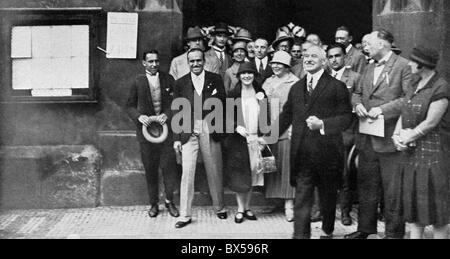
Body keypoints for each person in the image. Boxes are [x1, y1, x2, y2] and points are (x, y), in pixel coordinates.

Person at [268, 45, 352, 239]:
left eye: (314, 56)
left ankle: (327, 230)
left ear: (324, 61)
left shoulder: (336, 86)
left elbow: (347, 118)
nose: (308, 59)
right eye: (306, 56)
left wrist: (323, 124)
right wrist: (267, 136)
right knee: (302, 198)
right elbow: (286, 115)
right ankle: (300, 236)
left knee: (328, 198)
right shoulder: (296, 88)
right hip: (303, 154)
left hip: (328, 154)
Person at [346, 29, 412, 239]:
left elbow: (408, 99)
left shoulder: (404, 66)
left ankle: (393, 234)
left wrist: (382, 110)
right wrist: (357, 106)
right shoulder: (368, 66)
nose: (365, 47)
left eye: (369, 43)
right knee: (366, 186)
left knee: (393, 191)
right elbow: (356, 93)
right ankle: (365, 229)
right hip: (366, 139)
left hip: (391, 139)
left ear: (383, 43)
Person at [392, 46, 450, 239]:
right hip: (412, 157)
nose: (409, 64)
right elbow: (404, 110)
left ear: (422, 65)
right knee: (416, 212)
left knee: (438, 216)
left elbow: (431, 122)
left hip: (433, 159)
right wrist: (397, 135)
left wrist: (410, 136)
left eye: (412, 61)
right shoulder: (414, 83)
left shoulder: (441, 86)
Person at [172, 48, 227, 228]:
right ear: (188, 63)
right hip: (188, 129)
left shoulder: (215, 79)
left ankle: (219, 207)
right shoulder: (180, 83)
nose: (195, 64)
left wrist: (219, 129)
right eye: (192, 61)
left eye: (198, 60)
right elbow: (176, 111)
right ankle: (185, 215)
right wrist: (177, 138)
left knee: (214, 168)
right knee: (187, 171)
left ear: (204, 61)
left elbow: (223, 105)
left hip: (209, 127)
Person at [125, 50, 179, 218]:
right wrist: (140, 117)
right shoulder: (137, 81)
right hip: (146, 135)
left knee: (169, 168)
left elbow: (176, 103)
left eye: (156, 61)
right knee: (151, 169)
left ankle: (170, 201)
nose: (154, 64)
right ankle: (154, 203)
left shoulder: (168, 79)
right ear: (144, 63)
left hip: (166, 133)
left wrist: (167, 115)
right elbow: (129, 106)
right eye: (150, 61)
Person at [225, 62, 267, 224]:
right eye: (243, 74)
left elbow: (266, 116)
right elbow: (226, 117)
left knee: (253, 173)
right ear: (239, 76)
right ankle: (240, 209)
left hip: (256, 139)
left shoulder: (260, 93)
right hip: (239, 141)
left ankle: (248, 207)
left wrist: (264, 137)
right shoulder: (233, 94)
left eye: (250, 73)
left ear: (254, 75)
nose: (247, 76)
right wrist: (236, 127)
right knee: (240, 174)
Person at [262, 51, 300, 222]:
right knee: (272, 167)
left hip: (286, 131)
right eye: (273, 63)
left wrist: (293, 128)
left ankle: (289, 205)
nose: (276, 66)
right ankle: (277, 201)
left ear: (287, 66)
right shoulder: (268, 81)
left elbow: (298, 110)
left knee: (286, 168)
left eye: (280, 64)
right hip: (269, 131)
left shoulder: (295, 83)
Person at [326, 43, 361, 226]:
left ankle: (345, 212)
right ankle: (323, 210)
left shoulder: (355, 78)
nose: (334, 60)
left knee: (345, 176)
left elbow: (357, 105)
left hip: (346, 134)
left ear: (345, 57)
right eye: (330, 57)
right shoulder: (321, 77)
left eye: (337, 56)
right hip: (324, 135)